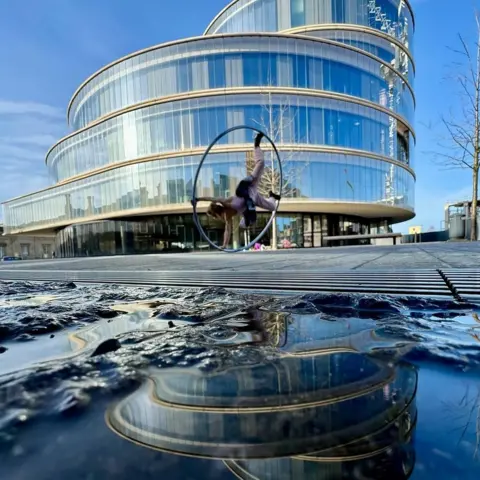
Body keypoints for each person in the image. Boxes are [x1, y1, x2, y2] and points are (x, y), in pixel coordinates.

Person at [195, 132, 281, 249]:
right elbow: (227, 230)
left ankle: (256, 145)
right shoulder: (227, 216)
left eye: (215, 217)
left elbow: (212, 199)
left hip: (248, 187)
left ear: (217, 213)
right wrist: (224, 245)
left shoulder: (226, 204)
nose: (217, 219)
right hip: (253, 198)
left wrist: (198, 199)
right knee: (272, 207)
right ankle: (271, 195)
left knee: (260, 164)